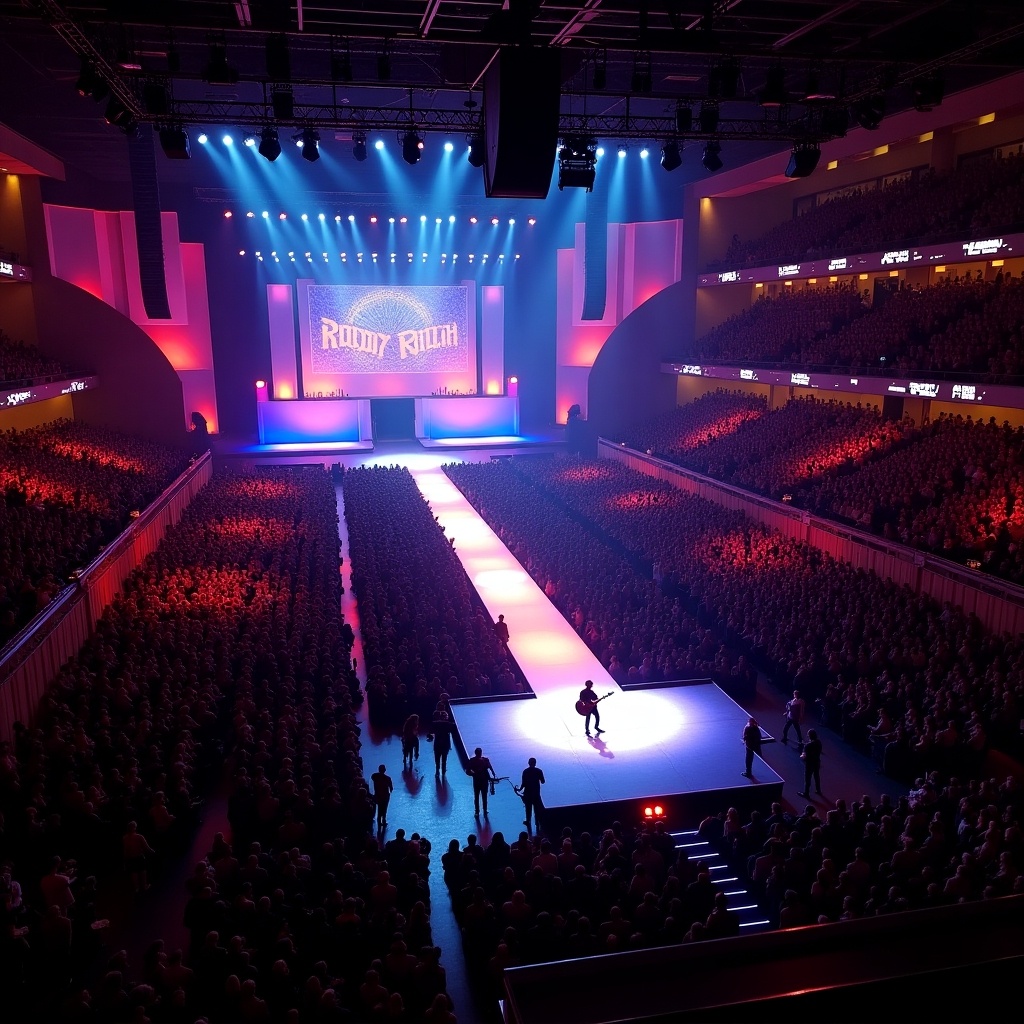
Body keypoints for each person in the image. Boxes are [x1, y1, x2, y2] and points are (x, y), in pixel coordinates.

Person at [466, 746, 497, 816]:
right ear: (481, 753)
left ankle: (477, 811)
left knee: (476, 796)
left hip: (476, 781)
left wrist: (473, 774)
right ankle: (485, 810)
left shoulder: (472, 761)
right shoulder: (485, 760)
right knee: (484, 796)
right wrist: (493, 775)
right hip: (484, 781)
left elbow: (467, 771)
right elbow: (491, 768)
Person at [519, 757, 545, 833]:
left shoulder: (525, 772)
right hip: (536, 793)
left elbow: (523, 783)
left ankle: (528, 821)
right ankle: (537, 822)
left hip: (528, 793)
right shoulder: (539, 771)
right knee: (537, 809)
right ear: (535, 763)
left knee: (528, 808)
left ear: (529, 763)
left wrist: (519, 789)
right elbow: (543, 781)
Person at [799, 729, 823, 798]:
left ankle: (806, 793)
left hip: (809, 763)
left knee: (807, 778)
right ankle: (818, 790)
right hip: (817, 762)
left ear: (809, 736)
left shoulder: (807, 746)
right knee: (816, 776)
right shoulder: (819, 742)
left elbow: (803, 756)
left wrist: (802, 754)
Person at [431, 709, 452, 775]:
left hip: (437, 743)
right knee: (444, 758)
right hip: (445, 744)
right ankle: (443, 770)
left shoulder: (435, 724)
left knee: (437, 758)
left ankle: (437, 769)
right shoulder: (448, 724)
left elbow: (431, 732)